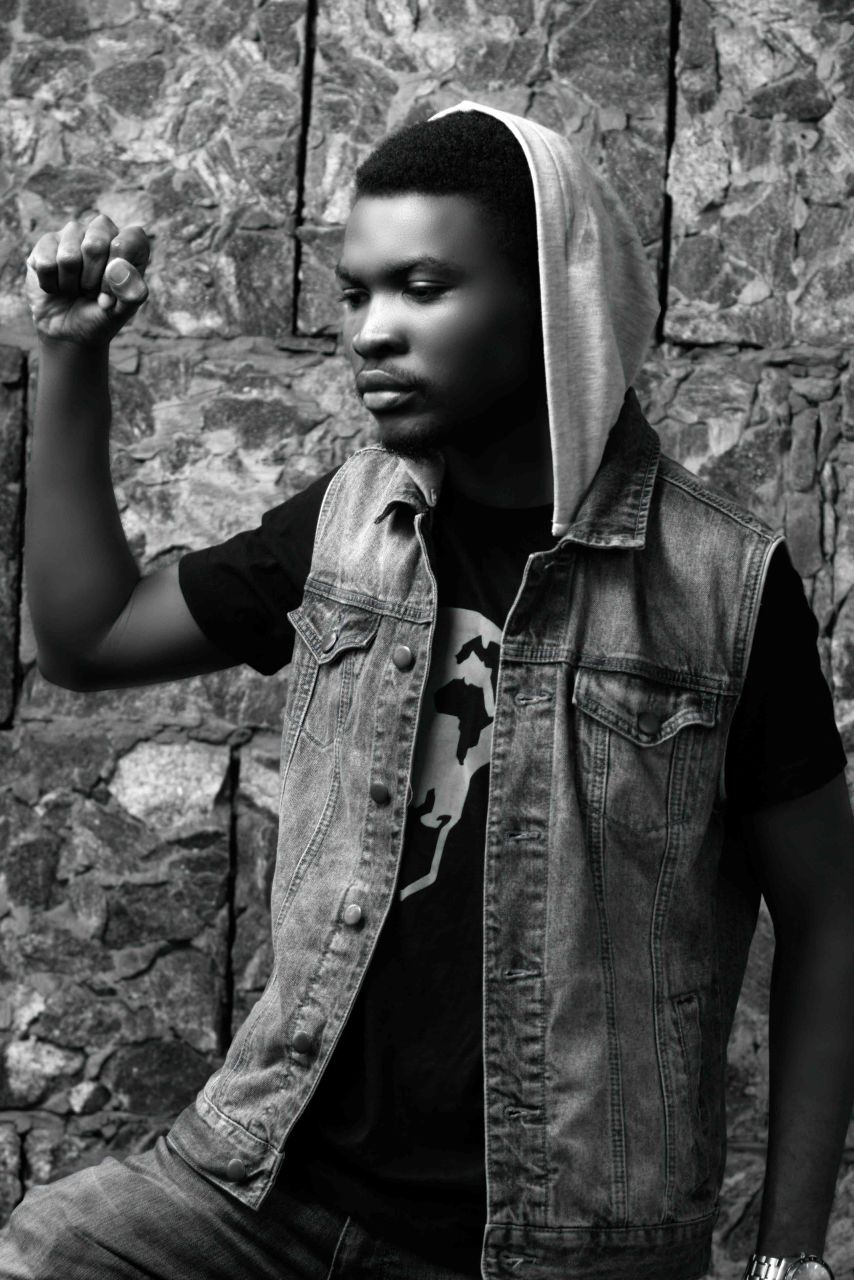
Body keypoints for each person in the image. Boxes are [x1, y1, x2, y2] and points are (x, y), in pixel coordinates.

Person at [3, 100, 852, 1280]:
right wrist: (73, 350)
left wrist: (787, 1258)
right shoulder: (350, 523)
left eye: (421, 287)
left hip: (556, 1249)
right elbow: (87, 636)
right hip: (273, 1191)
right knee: (52, 1254)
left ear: (551, 299)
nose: (372, 331)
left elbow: (825, 916)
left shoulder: (721, 582)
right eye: (357, 292)